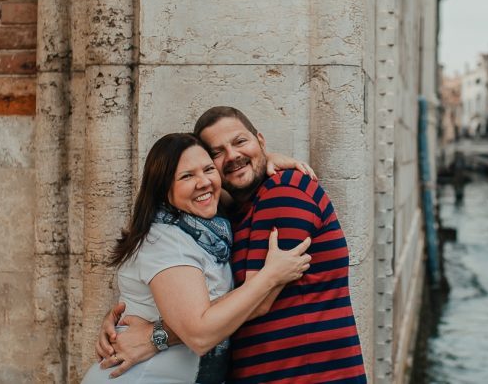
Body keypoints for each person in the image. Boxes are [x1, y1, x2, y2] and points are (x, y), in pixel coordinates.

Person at [99, 107, 368, 383]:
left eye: (241, 142)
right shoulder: (224, 219)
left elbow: (258, 300)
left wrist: (155, 336)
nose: (233, 156)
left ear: (261, 141)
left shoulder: (283, 192)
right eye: (217, 153)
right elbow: (228, 303)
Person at [82, 133, 312, 384]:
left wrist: (265, 159)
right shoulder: (165, 241)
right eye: (186, 176)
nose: (203, 182)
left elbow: (229, 310)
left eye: (208, 169)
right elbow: (200, 334)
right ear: (163, 189)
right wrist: (271, 275)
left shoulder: (211, 226)